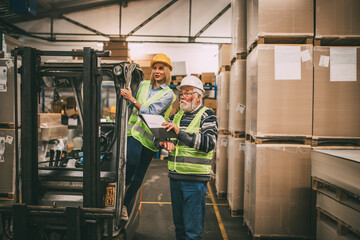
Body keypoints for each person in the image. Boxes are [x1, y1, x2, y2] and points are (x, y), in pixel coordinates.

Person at [156, 75, 218, 240]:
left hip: (194, 180)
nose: (181, 96)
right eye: (181, 93)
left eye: (186, 93)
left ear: (198, 97)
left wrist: (179, 133)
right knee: (180, 228)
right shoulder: (177, 116)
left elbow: (208, 143)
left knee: (192, 231)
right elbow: (160, 136)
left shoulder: (208, 116)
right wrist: (163, 143)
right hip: (175, 177)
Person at [120, 53, 175, 221]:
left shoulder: (168, 94)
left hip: (150, 140)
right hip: (134, 133)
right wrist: (130, 99)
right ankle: (121, 188)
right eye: (155, 68)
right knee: (132, 161)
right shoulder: (143, 85)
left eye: (161, 68)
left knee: (139, 176)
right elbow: (130, 104)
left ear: (166, 72)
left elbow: (152, 112)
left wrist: (132, 99)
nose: (157, 71)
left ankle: (124, 205)